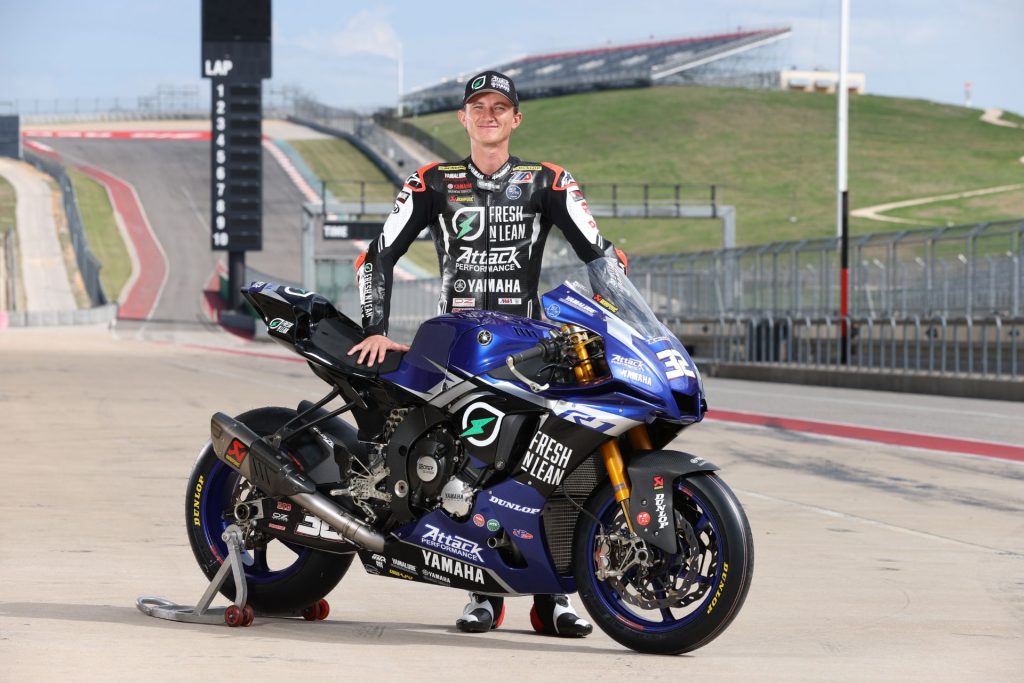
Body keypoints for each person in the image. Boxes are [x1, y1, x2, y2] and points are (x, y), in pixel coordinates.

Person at [349, 70, 626, 637]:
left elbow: (599, 256)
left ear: (516, 118)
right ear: (464, 118)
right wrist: (375, 328)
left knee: (552, 464)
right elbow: (375, 258)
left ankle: (554, 601)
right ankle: (483, 597)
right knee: (471, 466)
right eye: (480, 106)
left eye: (501, 107)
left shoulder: (547, 180)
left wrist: (624, 311)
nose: (490, 115)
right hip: (459, 345)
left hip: (531, 343)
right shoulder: (432, 181)